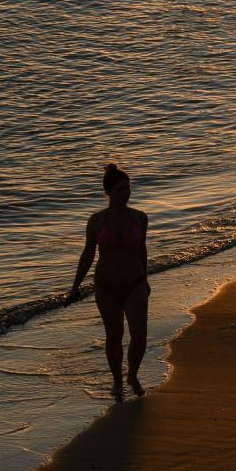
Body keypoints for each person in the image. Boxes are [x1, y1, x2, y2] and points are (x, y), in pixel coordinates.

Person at [65, 163, 150, 400]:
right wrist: (75, 287)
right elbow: (87, 254)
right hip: (106, 286)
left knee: (139, 334)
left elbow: (142, 250)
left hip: (135, 282)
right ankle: (117, 381)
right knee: (114, 336)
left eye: (128, 188)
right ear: (108, 192)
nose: (126, 193)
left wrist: (145, 279)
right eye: (121, 189)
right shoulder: (96, 221)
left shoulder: (140, 218)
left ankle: (132, 375)